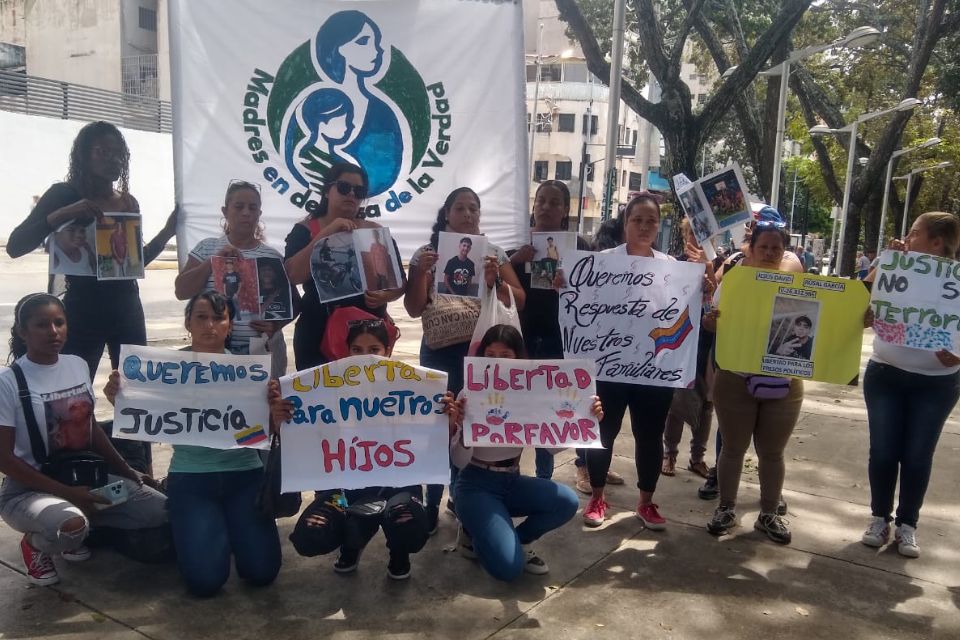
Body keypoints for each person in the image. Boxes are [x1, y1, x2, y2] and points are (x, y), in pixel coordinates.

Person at [105, 291, 282, 597]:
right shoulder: (163, 371)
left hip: (244, 475)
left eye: (218, 317)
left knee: (262, 573)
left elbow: (259, 433)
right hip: (191, 478)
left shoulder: (250, 374)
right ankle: (201, 536)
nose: (209, 325)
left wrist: (275, 414)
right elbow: (144, 422)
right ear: (188, 322)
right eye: (201, 317)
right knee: (204, 583)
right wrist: (121, 398)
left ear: (229, 325)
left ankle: (217, 534)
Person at [0, 293, 167, 586]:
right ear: (22, 332)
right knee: (71, 524)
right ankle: (38, 544)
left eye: (59, 322)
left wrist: (129, 472)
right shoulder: (8, 382)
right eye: (42, 324)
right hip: (28, 489)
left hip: (86, 478)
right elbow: (4, 459)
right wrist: (67, 492)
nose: (53, 332)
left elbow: (90, 428)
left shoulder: (76, 365)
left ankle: (80, 524)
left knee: (160, 510)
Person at [6, 121, 177, 382]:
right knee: (74, 390)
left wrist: (167, 231)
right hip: (81, 306)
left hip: (126, 304)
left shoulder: (127, 202)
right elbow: (16, 246)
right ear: (84, 155)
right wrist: (63, 214)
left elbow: (134, 262)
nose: (114, 160)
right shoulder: (64, 194)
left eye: (119, 153)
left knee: (136, 388)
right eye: (103, 152)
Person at [405, 187, 526, 533]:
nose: (469, 214)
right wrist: (420, 274)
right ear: (446, 214)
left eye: (474, 208)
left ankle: (462, 499)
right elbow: (413, 309)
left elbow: (521, 299)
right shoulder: (425, 254)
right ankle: (431, 502)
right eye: (460, 208)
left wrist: (497, 280)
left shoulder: (494, 253)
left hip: (481, 357)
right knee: (438, 427)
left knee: (470, 426)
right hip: (438, 353)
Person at [281, 319, 429, 580]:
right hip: (345, 492)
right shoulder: (327, 392)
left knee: (408, 525)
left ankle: (399, 551)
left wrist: (447, 420)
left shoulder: (412, 389)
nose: (364, 357)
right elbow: (307, 438)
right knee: (310, 534)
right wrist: (281, 415)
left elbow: (430, 443)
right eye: (356, 350)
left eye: (374, 349)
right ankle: (351, 543)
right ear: (346, 353)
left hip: (398, 488)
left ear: (388, 352)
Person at [580, 194, 694, 530]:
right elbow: (581, 304)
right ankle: (597, 497)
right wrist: (566, 285)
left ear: (659, 226)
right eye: (637, 220)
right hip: (609, 367)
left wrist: (702, 287)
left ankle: (646, 502)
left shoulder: (672, 269)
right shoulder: (601, 262)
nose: (644, 227)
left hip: (652, 370)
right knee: (604, 432)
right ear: (625, 223)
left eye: (651, 221)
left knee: (650, 435)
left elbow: (684, 312)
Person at [446, 325, 592, 581]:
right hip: (474, 485)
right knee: (509, 570)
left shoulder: (532, 394)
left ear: (519, 358)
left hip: (512, 480)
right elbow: (458, 461)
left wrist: (584, 416)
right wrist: (463, 430)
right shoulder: (468, 395)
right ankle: (473, 530)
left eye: (505, 355)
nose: (496, 362)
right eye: (490, 355)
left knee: (567, 501)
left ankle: (520, 541)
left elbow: (552, 446)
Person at [860, 212, 960, 558]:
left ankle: (907, 525)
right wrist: (888, 264)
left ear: (936, 242)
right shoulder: (895, 267)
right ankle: (879, 518)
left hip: (936, 384)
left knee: (918, 456)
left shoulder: (956, 279)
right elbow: (860, 300)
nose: (906, 237)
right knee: (884, 451)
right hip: (886, 374)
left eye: (914, 233)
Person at [507, 180, 616, 488]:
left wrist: (570, 282)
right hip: (524, 336)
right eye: (541, 200)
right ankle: (509, 471)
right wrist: (516, 260)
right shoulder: (517, 244)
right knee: (521, 406)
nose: (546, 207)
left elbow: (595, 289)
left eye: (554, 202)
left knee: (560, 405)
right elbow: (498, 283)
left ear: (566, 209)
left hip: (564, 339)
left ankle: (559, 474)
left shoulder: (579, 246)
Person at [703, 210, 804, 544]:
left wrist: (857, 318)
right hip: (735, 376)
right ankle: (726, 508)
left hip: (784, 382)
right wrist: (711, 322)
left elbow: (823, 325)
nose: (771, 252)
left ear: (786, 252)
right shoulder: (733, 282)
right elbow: (714, 321)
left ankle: (768, 514)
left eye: (778, 248)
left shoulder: (800, 287)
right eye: (765, 246)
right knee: (732, 448)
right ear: (752, 248)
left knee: (772, 453)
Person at [284, 163, 404, 371]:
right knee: (317, 398)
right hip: (317, 331)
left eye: (359, 191)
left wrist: (385, 296)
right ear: (326, 190)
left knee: (365, 398)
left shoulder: (375, 232)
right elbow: (293, 275)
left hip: (367, 334)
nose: (351, 194)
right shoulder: (304, 229)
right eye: (343, 187)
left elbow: (400, 284)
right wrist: (326, 233)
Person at [175, 180, 293, 377]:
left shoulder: (273, 257)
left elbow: (293, 303)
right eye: (239, 206)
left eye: (252, 207)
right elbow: (181, 291)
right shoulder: (206, 248)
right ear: (225, 211)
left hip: (262, 351)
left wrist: (276, 325)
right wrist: (213, 262)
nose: (246, 212)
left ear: (259, 214)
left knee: (265, 406)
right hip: (214, 352)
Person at [662, 217, 717, 480]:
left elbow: (719, 303)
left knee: (707, 401)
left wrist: (709, 272)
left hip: (707, 342)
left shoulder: (718, 265)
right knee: (677, 400)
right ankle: (669, 453)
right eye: (694, 234)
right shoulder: (673, 264)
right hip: (679, 340)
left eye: (705, 235)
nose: (699, 239)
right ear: (685, 237)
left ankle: (697, 457)